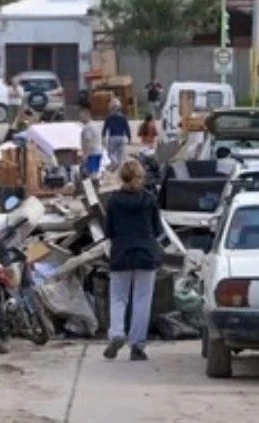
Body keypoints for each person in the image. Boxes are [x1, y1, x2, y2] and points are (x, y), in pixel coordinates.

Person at [103, 160, 163, 361]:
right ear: (141, 177)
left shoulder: (113, 200)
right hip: (146, 253)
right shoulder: (149, 199)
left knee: (119, 297)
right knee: (142, 300)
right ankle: (137, 345)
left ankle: (117, 333)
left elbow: (108, 231)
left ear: (122, 177)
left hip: (121, 253)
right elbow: (157, 230)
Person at [102, 101, 131, 172]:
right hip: (121, 137)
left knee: (110, 153)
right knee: (120, 154)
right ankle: (118, 169)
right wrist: (129, 137)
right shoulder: (123, 117)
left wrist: (103, 137)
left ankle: (115, 163)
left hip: (113, 137)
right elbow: (127, 128)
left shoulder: (109, 118)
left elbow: (104, 128)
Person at [80, 109, 102, 177]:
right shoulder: (96, 125)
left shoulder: (87, 127)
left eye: (81, 117)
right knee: (96, 171)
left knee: (90, 172)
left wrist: (86, 154)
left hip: (91, 153)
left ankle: (91, 186)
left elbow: (88, 141)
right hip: (98, 151)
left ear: (87, 117)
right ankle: (96, 184)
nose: (80, 119)